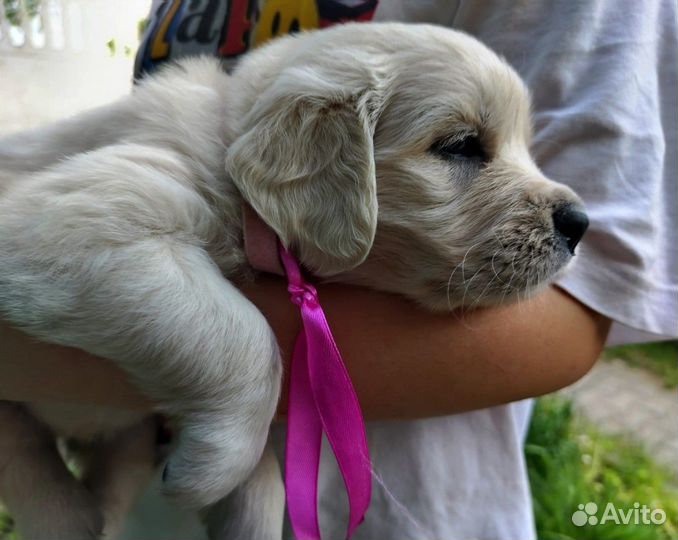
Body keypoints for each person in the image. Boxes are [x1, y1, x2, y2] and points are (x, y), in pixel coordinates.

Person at [0, 1, 675, 538]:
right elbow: (46, 248)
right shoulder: (189, 149)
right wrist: (238, 377)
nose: (550, 199)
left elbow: (584, 313)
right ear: (321, 161)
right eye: (464, 147)